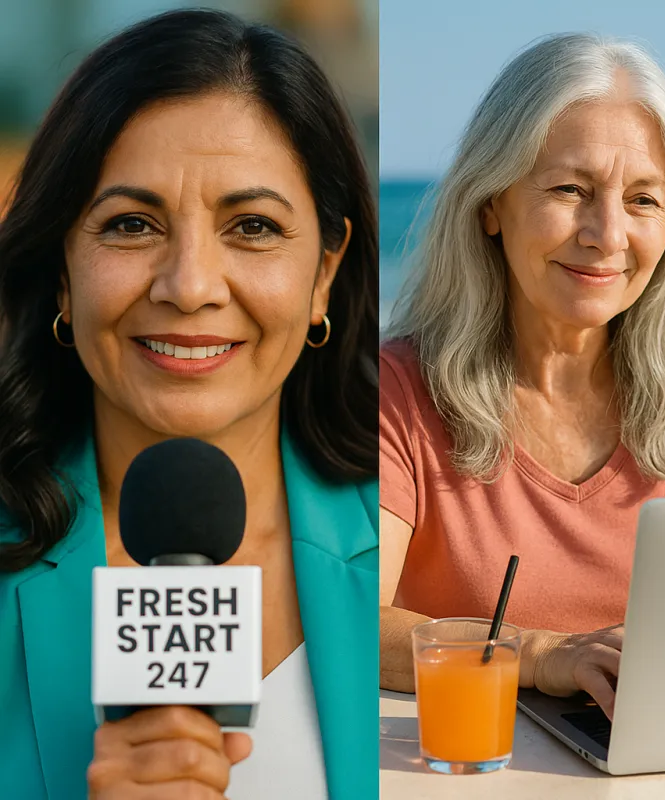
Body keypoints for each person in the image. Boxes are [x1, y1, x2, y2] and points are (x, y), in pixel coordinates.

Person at [0, 10, 378, 800]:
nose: (191, 286)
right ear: (63, 267)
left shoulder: (408, 526)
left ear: (324, 273)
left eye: (253, 226)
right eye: (132, 225)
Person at [379, 33, 665, 719]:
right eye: (571, 190)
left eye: (643, 200)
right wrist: (540, 657)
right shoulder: (398, 390)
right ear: (490, 203)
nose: (608, 233)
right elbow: (353, 625)